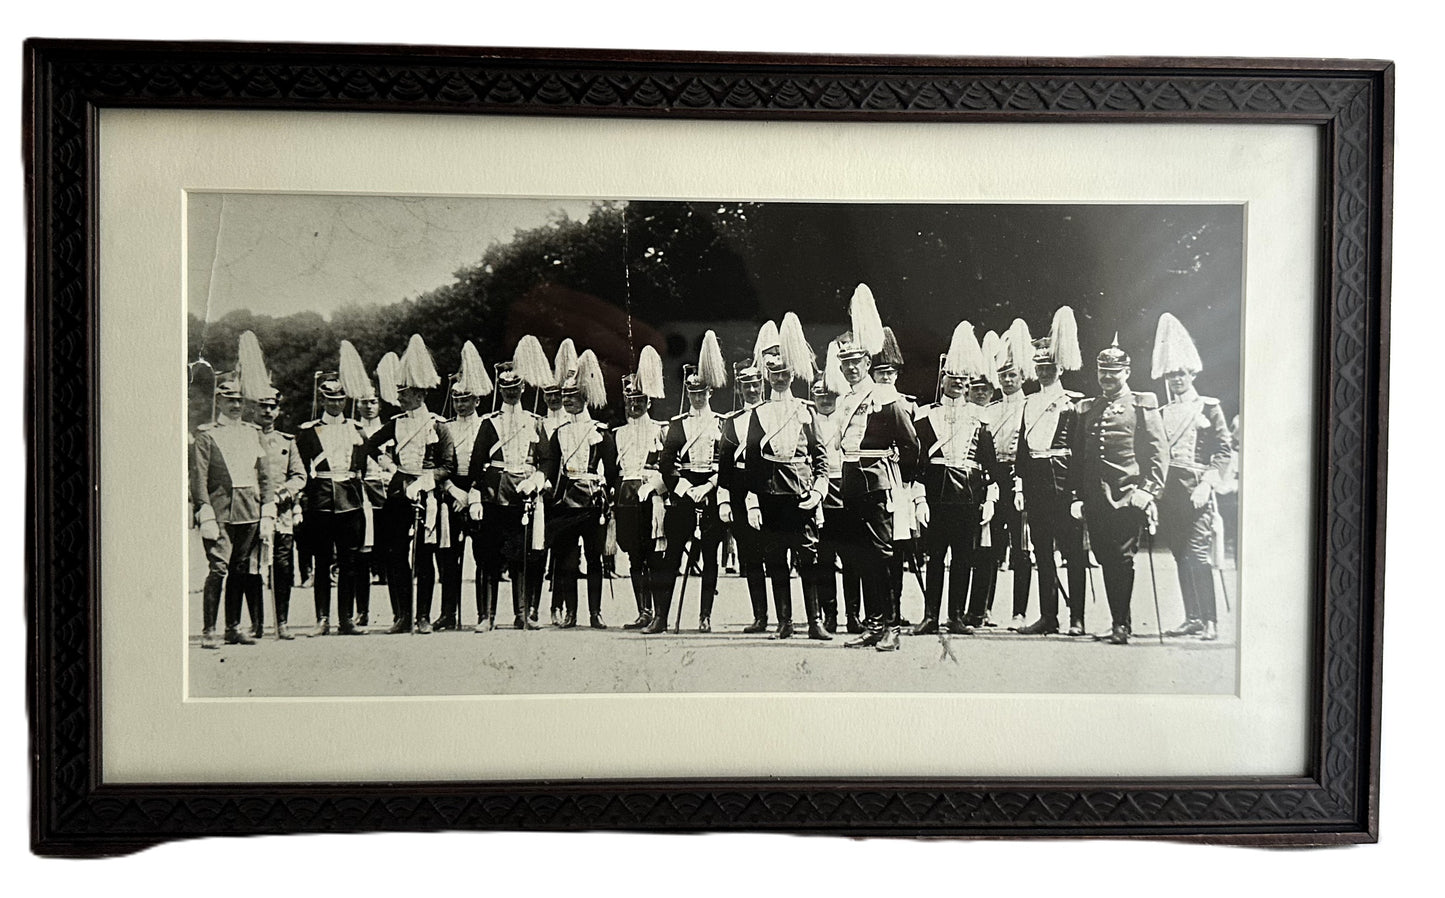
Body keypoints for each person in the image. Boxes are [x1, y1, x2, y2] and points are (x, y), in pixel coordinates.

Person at [833, 285, 921, 652]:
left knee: (882, 557)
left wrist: (903, 481)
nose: (851, 368)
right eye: (845, 364)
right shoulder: (845, 401)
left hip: (878, 481)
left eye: (856, 362)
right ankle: (873, 625)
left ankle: (891, 628)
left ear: (867, 363)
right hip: (851, 480)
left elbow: (911, 444)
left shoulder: (886, 398)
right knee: (861, 557)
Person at [1070, 336, 1168, 645]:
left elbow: (1157, 452)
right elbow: (1079, 457)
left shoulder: (1142, 404)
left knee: (1122, 557)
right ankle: (1117, 621)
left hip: (1128, 495)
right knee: (1104, 557)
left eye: (1114, 372)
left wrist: (1148, 491)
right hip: (1095, 498)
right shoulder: (1089, 407)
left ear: (1126, 372)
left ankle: (1121, 625)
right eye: (1103, 372)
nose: (1107, 378)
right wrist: (1078, 497)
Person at [741, 314, 831, 640]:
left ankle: (815, 621)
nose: (780, 378)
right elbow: (751, 461)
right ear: (768, 375)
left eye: (785, 372)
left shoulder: (806, 410)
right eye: (774, 373)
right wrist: (752, 502)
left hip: (802, 493)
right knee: (776, 558)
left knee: (808, 557)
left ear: (794, 374)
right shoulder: (758, 413)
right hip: (769, 493)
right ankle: (784, 621)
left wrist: (819, 491)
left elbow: (821, 457)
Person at [363, 335, 455, 635]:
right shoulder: (396, 423)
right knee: (396, 554)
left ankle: (424, 616)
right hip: (399, 490)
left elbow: (448, 465)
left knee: (425, 556)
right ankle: (402, 615)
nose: (400, 397)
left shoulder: (439, 425)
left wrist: (430, 479)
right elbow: (370, 446)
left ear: (419, 394)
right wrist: (388, 465)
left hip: (428, 494)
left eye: (405, 393)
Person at [1152, 313, 1235, 642]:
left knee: (1197, 556)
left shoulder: (1208, 407)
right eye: (1171, 375)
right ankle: (1192, 617)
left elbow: (1224, 450)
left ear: (1193, 373)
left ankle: (1210, 620)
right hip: (1170, 491)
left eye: (1182, 374)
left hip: (1198, 490)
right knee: (1178, 555)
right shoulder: (1161, 411)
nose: (1176, 380)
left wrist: (1207, 483)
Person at [911, 323, 998, 636]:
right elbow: (918, 464)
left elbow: (990, 465)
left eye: (964, 379)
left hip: (969, 495)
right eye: (953, 378)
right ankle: (930, 616)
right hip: (935, 493)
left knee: (963, 557)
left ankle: (956, 617)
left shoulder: (980, 418)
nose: (959, 383)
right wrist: (918, 499)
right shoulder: (925, 416)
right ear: (943, 377)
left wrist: (990, 499)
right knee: (935, 557)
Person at [1015, 308, 1089, 636]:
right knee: (1041, 551)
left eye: (1049, 366)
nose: (1044, 372)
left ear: (1059, 367)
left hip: (1063, 483)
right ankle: (1049, 616)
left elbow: (1080, 453)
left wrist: (1077, 492)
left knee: (1073, 551)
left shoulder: (1073, 403)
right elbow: (1022, 449)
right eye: (1039, 367)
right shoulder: (1029, 403)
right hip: (1035, 484)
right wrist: (1019, 487)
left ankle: (1077, 617)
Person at [191, 378, 275, 648]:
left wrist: (268, 509)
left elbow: (265, 475)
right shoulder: (206, 434)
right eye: (230, 400)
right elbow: (199, 477)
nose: (236, 405)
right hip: (219, 511)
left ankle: (233, 627)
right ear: (219, 401)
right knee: (218, 568)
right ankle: (208, 631)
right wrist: (204, 509)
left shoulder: (253, 432)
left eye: (240, 400)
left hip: (248, 509)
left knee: (240, 569)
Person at [467, 359, 548, 630]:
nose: (511, 392)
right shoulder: (489, 423)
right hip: (494, 495)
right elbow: (476, 463)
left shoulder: (535, 422)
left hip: (523, 497)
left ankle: (522, 613)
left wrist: (538, 477)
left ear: (523, 387)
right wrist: (476, 497)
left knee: (521, 558)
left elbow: (547, 460)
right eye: (505, 388)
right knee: (488, 557)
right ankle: (485, 616)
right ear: (499, 390)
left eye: (515, 387)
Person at [658, 332, 728, 632]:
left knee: (710, 556)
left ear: (710, 393)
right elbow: (666, 465)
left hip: (710, 492)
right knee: (672, 555)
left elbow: (726, 464)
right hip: (683, 493)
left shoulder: (722, 423)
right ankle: (661, 616)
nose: (697, 398)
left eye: (701, 393)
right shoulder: (677, 425)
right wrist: (686, 489)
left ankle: (705, 616)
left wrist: (708, 487)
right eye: (692, 393)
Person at [294, 361, 368, 637]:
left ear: (345, 399)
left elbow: (361, 465)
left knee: (348, 562)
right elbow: (301, 467)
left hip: (350, 500)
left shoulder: (357, 430)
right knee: (322, 561)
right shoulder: (308, 431)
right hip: (321, 501)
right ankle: (322, 618)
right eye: (329, 399)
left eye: (339, 399)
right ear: (322, 400)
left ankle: (346, 619)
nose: (335, 404)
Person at [542, 350, 612, 629]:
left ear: (584, 397)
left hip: (593, 500)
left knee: (595, 560)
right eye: (565, 397)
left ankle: (595, 612)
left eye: (573, 396)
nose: (567, 400)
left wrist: (608, 491)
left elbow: (612, 469)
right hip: (566, 501)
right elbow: (552, 465)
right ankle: (571, 612)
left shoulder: (600, 431)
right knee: (568, 562)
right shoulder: (558, 432)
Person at [974, 322, 1031, 629]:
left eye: (1013, 374)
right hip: (993, 484)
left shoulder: (1030, 406)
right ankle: (983, 609)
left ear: (1022, 376)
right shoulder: (991, 410)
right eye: (1003, 375)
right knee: (989, 548)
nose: (1008, 380)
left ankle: (1019, 612)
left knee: (1021, 549)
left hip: (1020, 481)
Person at [610, 348, 670, 632]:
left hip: (651, 495)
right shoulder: (617, 433)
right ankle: (642, 610)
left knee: (654, 554)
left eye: (640, 400)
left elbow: (668, 467)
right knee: (634, 554)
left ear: (648, 401)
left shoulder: (660, 429)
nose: (635, 405)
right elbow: (612, 471)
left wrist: (655, 486)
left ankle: (659, 612)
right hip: (625, 496)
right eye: (630, 400)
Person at [869, 326, 920, 630]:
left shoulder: (907, 404)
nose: (886, 377)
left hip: (899, 482)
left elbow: (915, 447)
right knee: (875, 549)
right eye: (880, 372)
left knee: (897, 548)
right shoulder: (867, 402)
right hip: (875, 480)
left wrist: (909, 478)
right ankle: (877, 613)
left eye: (890, 372)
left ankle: (895, 611)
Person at [716, 353, 769, 633]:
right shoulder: (731, 421)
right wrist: (723, 499)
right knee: (750, 556)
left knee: (777, 553)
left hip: (770, 488)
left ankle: (787, 618)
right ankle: (760, 616)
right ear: (739, 388)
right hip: (739, 489)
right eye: (746, 385)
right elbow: (725, 464)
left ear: (763, 384)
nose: (751, 390)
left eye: (755, 384)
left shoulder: (773, 413)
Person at [255, 388, 306, 640]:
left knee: (283, 566)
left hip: (282, 512)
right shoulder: (248, 437)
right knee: (252, 567)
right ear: (253, 408)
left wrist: (282, 496)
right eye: (262, 406)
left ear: (278, 410)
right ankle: (256, 623)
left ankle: (282, 622)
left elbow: (299, 476)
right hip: (254, 510)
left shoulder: (287, 441)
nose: (267, 411)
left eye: (271, 407)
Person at [809, 372, 853, 634]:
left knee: (852, 559)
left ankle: (854, 614)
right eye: (819, 393)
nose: (826, 399)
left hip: (847, 488)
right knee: (824, 560)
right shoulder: (807, 420)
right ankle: (830, 615)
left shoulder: (847, 419)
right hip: (820, 491)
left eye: (831, 394)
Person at [353, 382, 386, 626]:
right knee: (360, 556)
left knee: (392, 552)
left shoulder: (388, 429)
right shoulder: (352, 430)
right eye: (364, 402)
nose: (369, 406)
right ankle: (362, 611)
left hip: (384, 492)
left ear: (380, 403)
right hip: (359, 493)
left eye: (373, 401)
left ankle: (400, 613)